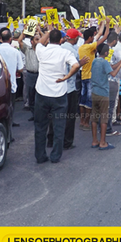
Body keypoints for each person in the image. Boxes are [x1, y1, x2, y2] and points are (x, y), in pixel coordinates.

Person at [34, 28, 80, 164]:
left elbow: (40, 43)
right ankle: (55, 156)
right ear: (61, 40)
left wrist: (47, 32)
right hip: (59, 94)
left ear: (49, 39)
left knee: (40, 127)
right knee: (59, 126)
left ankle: (40, 156)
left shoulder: (41, 50)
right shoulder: (65, 52)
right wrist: (66, 77)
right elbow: (76, 65)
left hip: (42, 93)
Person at [91, 44, 121, 150]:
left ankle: (94, 141)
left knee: (94, 117)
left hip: (94, 91)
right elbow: (114, 73)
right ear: (106, 53)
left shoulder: (95, 61)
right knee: (104, 118)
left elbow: (109, 68)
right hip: (103, 93)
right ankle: (103, 142)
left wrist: (118, 62)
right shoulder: (104, 62)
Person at [78, 23, 109, 130]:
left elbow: (99, 34)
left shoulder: (81, 47)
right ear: (90, 38)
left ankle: (82, 121)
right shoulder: (90, 46)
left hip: (83, 76)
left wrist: (101, 25)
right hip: (90, 77)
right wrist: (107, 24)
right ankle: (86, 123)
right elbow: (104, 37)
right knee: (89, 101)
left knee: (82, 101)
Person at [0, 28, 24, 141]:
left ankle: (3, 134)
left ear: (0, 39)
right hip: (11, 85)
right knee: (9, 110)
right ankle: (8, 136)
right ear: (11, 39)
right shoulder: (15, 51)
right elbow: (21, 69)